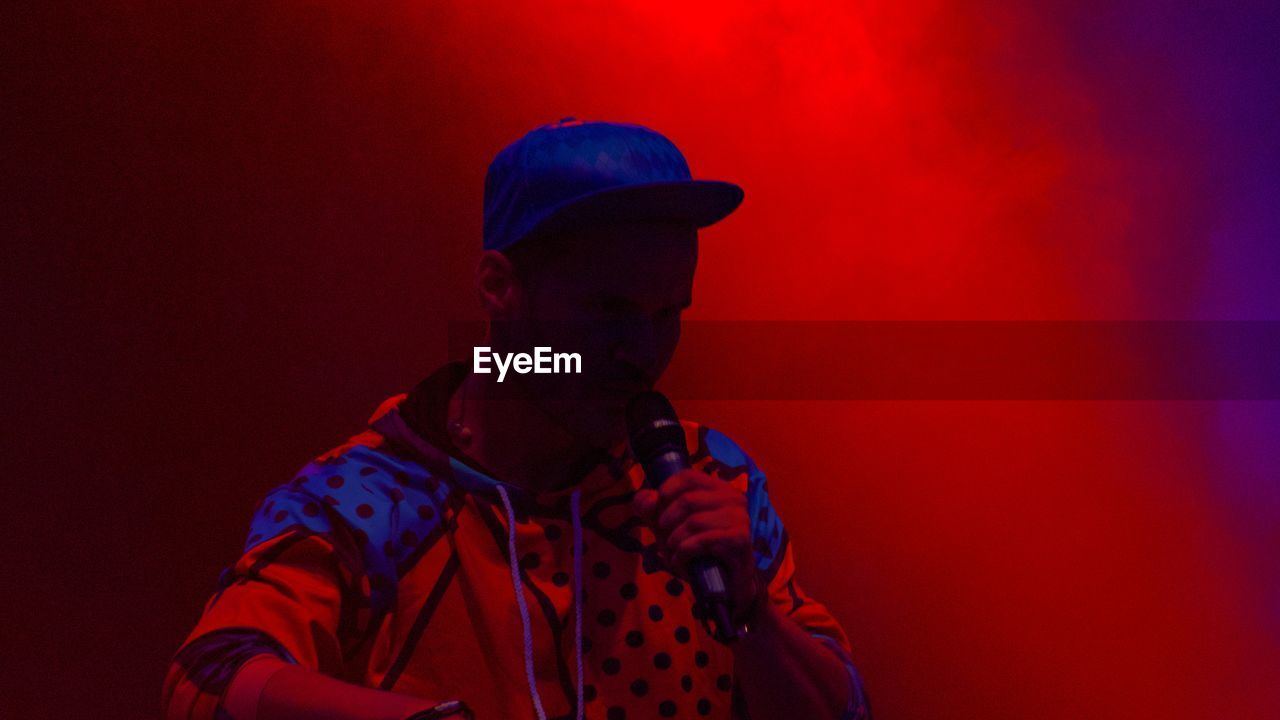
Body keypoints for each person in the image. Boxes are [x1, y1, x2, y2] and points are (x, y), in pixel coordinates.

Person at [161, 118, 870, 720]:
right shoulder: (379, 496)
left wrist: (751, 611)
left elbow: (846, 708)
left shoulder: (711, 479)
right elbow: (208, 676)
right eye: (610, 312)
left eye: (669, 314)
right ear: (499, 287)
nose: (643, 352)